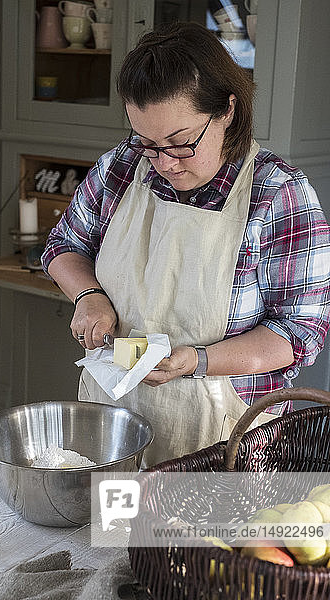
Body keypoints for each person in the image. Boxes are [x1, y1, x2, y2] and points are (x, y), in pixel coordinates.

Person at [41, 22, 330, 467]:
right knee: (109, 532)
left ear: (227, 111)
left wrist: (195, 361)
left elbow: (299, 334)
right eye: (150, 144)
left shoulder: (278, 194)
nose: (165, 163)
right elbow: (63, 246)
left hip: (223, 429)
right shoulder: (124, 166)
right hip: (114, 412)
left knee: (203, 538)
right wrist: (88, 295)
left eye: (181, 143)